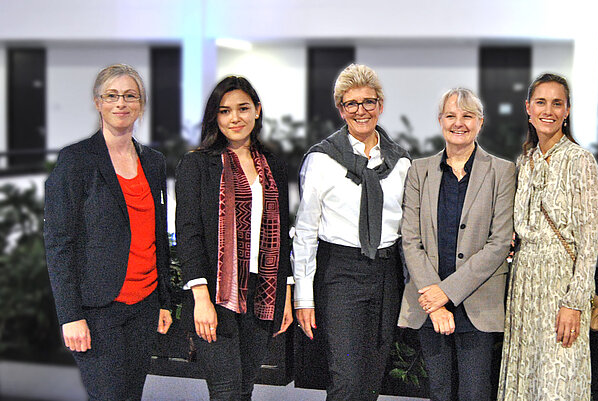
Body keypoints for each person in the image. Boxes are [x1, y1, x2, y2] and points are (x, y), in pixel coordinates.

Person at [44, 63, 173, 400]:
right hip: (99, 309)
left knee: (131, 395)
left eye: (130, 96)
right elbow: (59, 243)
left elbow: (158, 235)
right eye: (112, 96)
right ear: (97, 102)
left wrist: (163, 300)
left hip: (144, 305)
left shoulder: (154, 162)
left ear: (141, 104)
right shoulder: (75, 161)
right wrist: (70, 316)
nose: (121, 103)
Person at [293, 64, 411, 401]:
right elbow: (305, 232)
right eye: (352, 104)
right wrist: (304, 296)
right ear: (341, 109)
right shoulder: (322, 160)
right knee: (346, 380)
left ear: (381, 105)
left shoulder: (400, 163)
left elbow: (410, 228)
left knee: (373, 378)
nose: (361, 111)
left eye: (368, 102)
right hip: (341, 273)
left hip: (387, 273)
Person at [175, 76, 293, 400]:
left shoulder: (274, 166)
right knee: (226, 391)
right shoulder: (197, 164)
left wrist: (285, 293)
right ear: (215, 117)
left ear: (257, 110)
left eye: (242, 108)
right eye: (225, 111)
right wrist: (201, 297)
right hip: (215, 294)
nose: (235, 118)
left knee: (243, 390)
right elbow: (189, 232)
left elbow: (284, 233)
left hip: (263, 293)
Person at [397, 88, 516, 401]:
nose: (458, 122)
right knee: (439, 391)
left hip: (477, 303)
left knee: (475, 393)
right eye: (451, 115)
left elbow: (499, 242)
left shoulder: (502, 172)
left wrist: (446, 293)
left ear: (480, 122)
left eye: (467, 116)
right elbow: (410, 238)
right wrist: (435, 299)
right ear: (440, 121)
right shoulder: (418, 171)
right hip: (428, 304)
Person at [498, 73, 598, 401]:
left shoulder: (580, 161)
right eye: (541, 102)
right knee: (525, 379)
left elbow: (589, 243)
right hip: (523, 284)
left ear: (567, 110)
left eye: (557, 103)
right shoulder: (524, 161)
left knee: (558, 380)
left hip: (562, 286)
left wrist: (574, 303)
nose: (549, 110)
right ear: (527, 108)